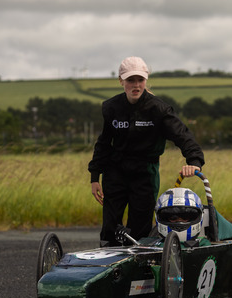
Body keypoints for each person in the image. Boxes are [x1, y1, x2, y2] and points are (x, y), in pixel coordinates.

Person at [88, 56, 205, 246]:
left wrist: (194, 161)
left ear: (146, 80)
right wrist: (95, 176)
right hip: (115, 171)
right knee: (110, 226)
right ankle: (108, 266)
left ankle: (136, 265)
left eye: (140, 80)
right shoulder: (111, 107)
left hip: (145, 173)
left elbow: (183, 136)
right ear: (121, 81)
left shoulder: (159, 110)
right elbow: (103, 144)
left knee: (139, 228)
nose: (136, 85)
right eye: (130, 80)